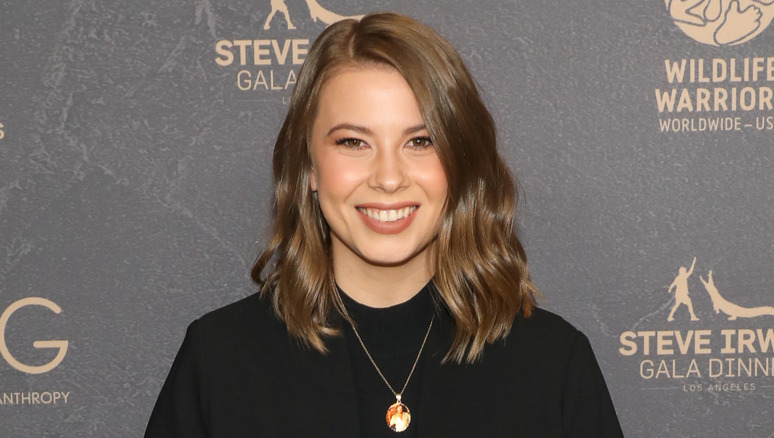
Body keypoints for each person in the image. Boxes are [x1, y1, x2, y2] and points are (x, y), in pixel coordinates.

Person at [145, 12, 623, 438]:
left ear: (461, 163)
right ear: (308, 166)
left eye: (420, 141)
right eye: (354, 142)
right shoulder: (220, 361)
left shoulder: (552, 364)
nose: (389, 178)